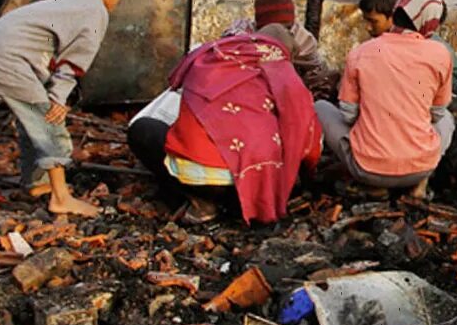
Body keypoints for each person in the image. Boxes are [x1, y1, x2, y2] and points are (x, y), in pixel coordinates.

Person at [0, 0, 128, 217]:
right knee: (49, 120)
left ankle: (35, 183)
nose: (118, 0)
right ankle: (61, 197)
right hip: (8, 58)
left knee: (31, 120)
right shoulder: (94, 10)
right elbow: (74, 62)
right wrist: (58, 99)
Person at [127, 33, 321, 225]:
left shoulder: (210, 57)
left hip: (208, 184)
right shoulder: (289, 79)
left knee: (142, 130)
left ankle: (201, 203)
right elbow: (310, 148)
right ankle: (250, 205)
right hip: (263, 189)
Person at [315, 0, 455, 198]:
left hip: (367, 170)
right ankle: (420, 184)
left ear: (396, 12)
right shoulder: (441, 55)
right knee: (447, 120)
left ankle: (375, 186)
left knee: (320, 107)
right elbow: (436, 114)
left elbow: (348, 116)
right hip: (420, 168)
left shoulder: (360, 52)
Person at [226, 0, 336, 99]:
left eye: (287, 28)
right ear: (260, 27)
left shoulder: (303, 40)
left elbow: (319, 70)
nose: (282, 33)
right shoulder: (242, 34)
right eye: (273, 27)